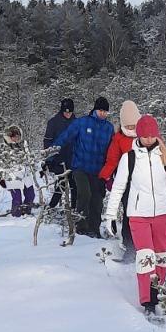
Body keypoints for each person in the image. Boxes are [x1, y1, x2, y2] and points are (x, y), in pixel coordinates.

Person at [101, 114, 166, 319]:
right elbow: (119, 187)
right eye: (145, 136)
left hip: (163, 214)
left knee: (162, 254)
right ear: (138, 135)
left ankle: (159, 288)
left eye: (152, 136)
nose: (149, 139)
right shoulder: (128, 157)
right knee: (145, 257)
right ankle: (147, 300)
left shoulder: (165, 156)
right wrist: (110, 215)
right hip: (138, 215)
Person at [53, 97, 112, 237]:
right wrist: (52, 154)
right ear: (95, 110)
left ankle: (94, 229)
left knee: (97, 200)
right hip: (81, 166)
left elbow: (112, 150)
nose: (103, 114)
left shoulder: (109, 128)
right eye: (101, 110)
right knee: (84, 194)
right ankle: (81, 227)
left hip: (98, 170)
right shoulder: (82, 123)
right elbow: (65, 137)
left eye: (106, 112)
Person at [99, 99, 142, 258]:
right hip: (127, 182)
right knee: (130, 213)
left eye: (134, 126)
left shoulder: (146, 135)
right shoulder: (118, 139)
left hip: (145, 182)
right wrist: (106, 176)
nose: (132, 129)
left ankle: (144, 246)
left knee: (143, 214)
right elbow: (112, 159)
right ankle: (130, 246)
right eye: (128, 126)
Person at [42, 98, 75, 210]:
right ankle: (51, 206)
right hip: (59, 158)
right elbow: (48, 142)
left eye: (70, 112)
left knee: (75, 185)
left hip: (73, 158)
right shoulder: (53, 122)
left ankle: (74, 208)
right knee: (61, 184)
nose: (68, 114)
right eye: (65, 112)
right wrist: (49, 160)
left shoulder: (77, 122)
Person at [0, 125, 36, 216]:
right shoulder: (5, 147)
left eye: (18, 136)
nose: (16, 138)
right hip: (12, 177)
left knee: (31, 195)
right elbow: (1, 164)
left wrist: (32, 166)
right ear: (9, 136)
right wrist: (2, 178)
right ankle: (16, 216)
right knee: (17, 199)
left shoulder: (24, 144)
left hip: (25, 174)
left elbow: (30, 157)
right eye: (14, 136)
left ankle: (27, 212)